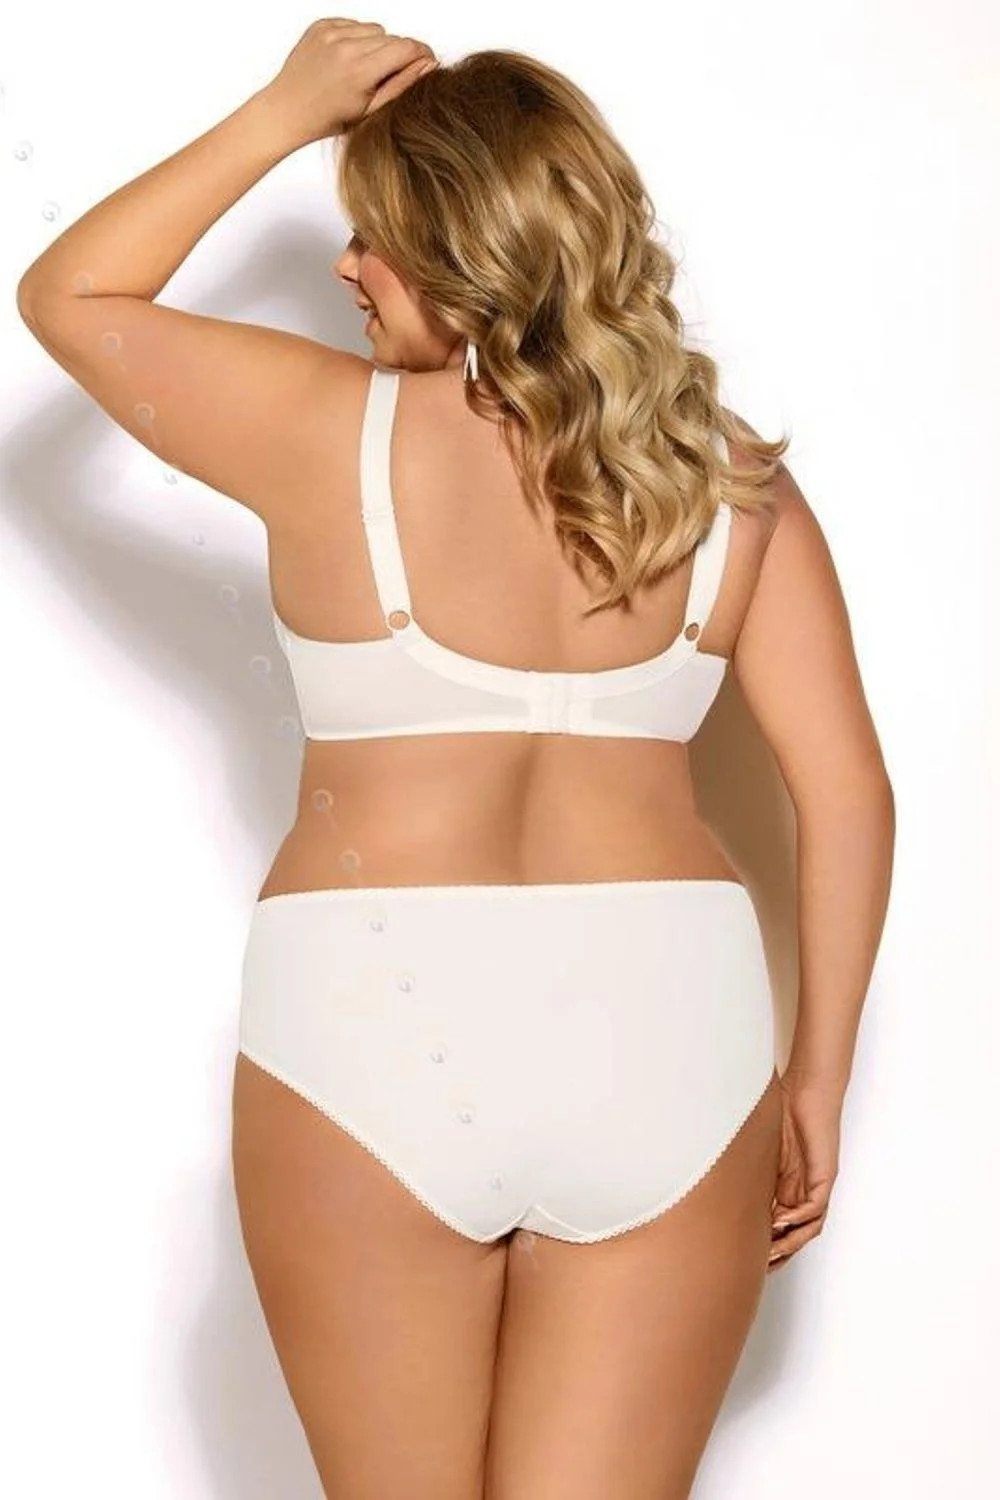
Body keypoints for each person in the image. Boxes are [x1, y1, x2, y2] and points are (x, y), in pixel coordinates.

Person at [15, 19, 896, 1500]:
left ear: (463, 250)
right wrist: (818, 1081)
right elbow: (849, 793)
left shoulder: (315, 427)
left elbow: (70, 294)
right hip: (670, 1037)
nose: (347, 268)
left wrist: (284, 110)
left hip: (375, 1019)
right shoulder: (730, 482)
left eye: (375, 238)